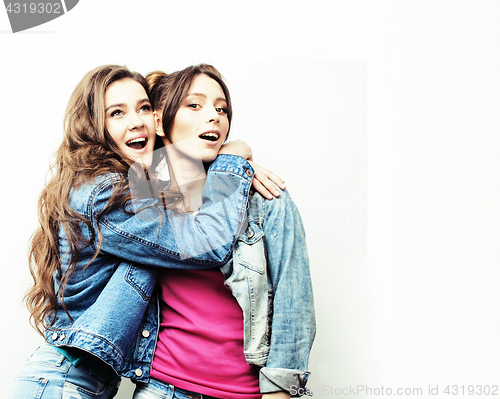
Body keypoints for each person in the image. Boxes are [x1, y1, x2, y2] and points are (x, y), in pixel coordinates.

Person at [9, 64, 264, 399]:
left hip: (80, 381)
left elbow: (171, 180)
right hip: (61, 382)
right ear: (93, 126)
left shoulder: (128, 184)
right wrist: (231, 160)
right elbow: (206, 244)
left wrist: (229, 158)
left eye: (144, 108)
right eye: (117, 113)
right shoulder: (103, 194)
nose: (137, 121)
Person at [131, 64, 315, 399]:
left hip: (245, 392)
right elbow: (156, 175)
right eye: (195, 105)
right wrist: (234, 154)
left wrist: (279, 391)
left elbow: (294, 296)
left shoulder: (263, 194)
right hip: (162, 387)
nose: (214, 116)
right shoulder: (145, 190)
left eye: (221, 109)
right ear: (159, 121)